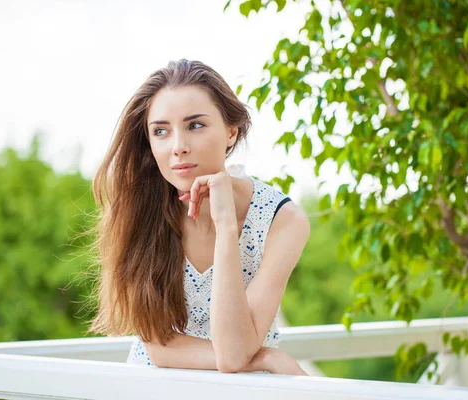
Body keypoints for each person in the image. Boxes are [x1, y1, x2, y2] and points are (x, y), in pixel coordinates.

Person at [88, 59, 310, 376]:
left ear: (231, 132)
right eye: (161, 131)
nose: (178, 147)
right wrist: (265, 358)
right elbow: (161, 346)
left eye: (195, 126)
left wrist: (226, 225)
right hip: (153, 388)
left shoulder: (282, 219)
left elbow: (233, 353)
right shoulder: (140, 208)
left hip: (244, 393)